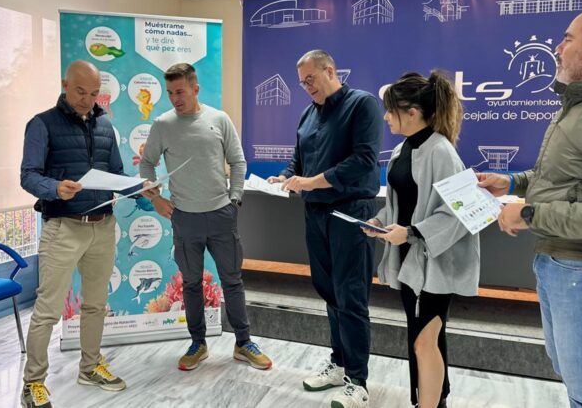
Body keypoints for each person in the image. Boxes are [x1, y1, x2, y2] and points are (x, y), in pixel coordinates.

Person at [478, 9, 582, 408]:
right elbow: (561, 176)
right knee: (580, 383)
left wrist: (530, 214)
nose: (557, 47)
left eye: (568, 39)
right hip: (568, 267)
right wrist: (512, 183)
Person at [20, 60, 143, 408]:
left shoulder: (105, 125)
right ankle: (33, 383)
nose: (87, 100)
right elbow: (28, 175)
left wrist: (142, 188)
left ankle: (90, 367)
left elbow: (116, 173)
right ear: (65, 84)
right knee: (48, 310)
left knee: (95, 305)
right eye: (80, 92)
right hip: (64, 228)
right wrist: (55, 188)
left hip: (102, 227)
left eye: (93, 93)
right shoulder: (42, 124)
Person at [267, 49, 382, 408]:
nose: (307, 87)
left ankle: (358, 382)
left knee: (351, 295)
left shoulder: (362, 105)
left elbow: (364, 160)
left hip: (350, 212)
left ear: (330, 71)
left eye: (311, 79)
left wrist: (312, 182)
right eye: (302, 83)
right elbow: (298, 159)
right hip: (315, 214)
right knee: (329, 292)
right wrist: (286, 177)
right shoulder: (307, 113)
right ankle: (339, 363)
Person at [139, 62, 272, 372]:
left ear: (195, 88)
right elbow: (146, 164)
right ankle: (198, 343)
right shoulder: (162, 124)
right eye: (170, 93)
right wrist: (155, 198)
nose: (175, 98)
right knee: (191, 283)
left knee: (232, 281)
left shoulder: (219, 119)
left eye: (180, 92)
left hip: (221, 215)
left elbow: (238, 161)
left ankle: (243, 343)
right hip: (184, 218)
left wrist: (235, 199)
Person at [364, 71, 479, 408]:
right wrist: (380, 221)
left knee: (424, 341)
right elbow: (400, 203)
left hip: (436, 263)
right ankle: (432, 401)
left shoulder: (442, 152)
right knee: (422, 338)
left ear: (412, 112)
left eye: (391, 110)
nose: (386, 117)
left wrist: (413, 233)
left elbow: (460, 213)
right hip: (410, 260)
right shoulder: (403, 149)